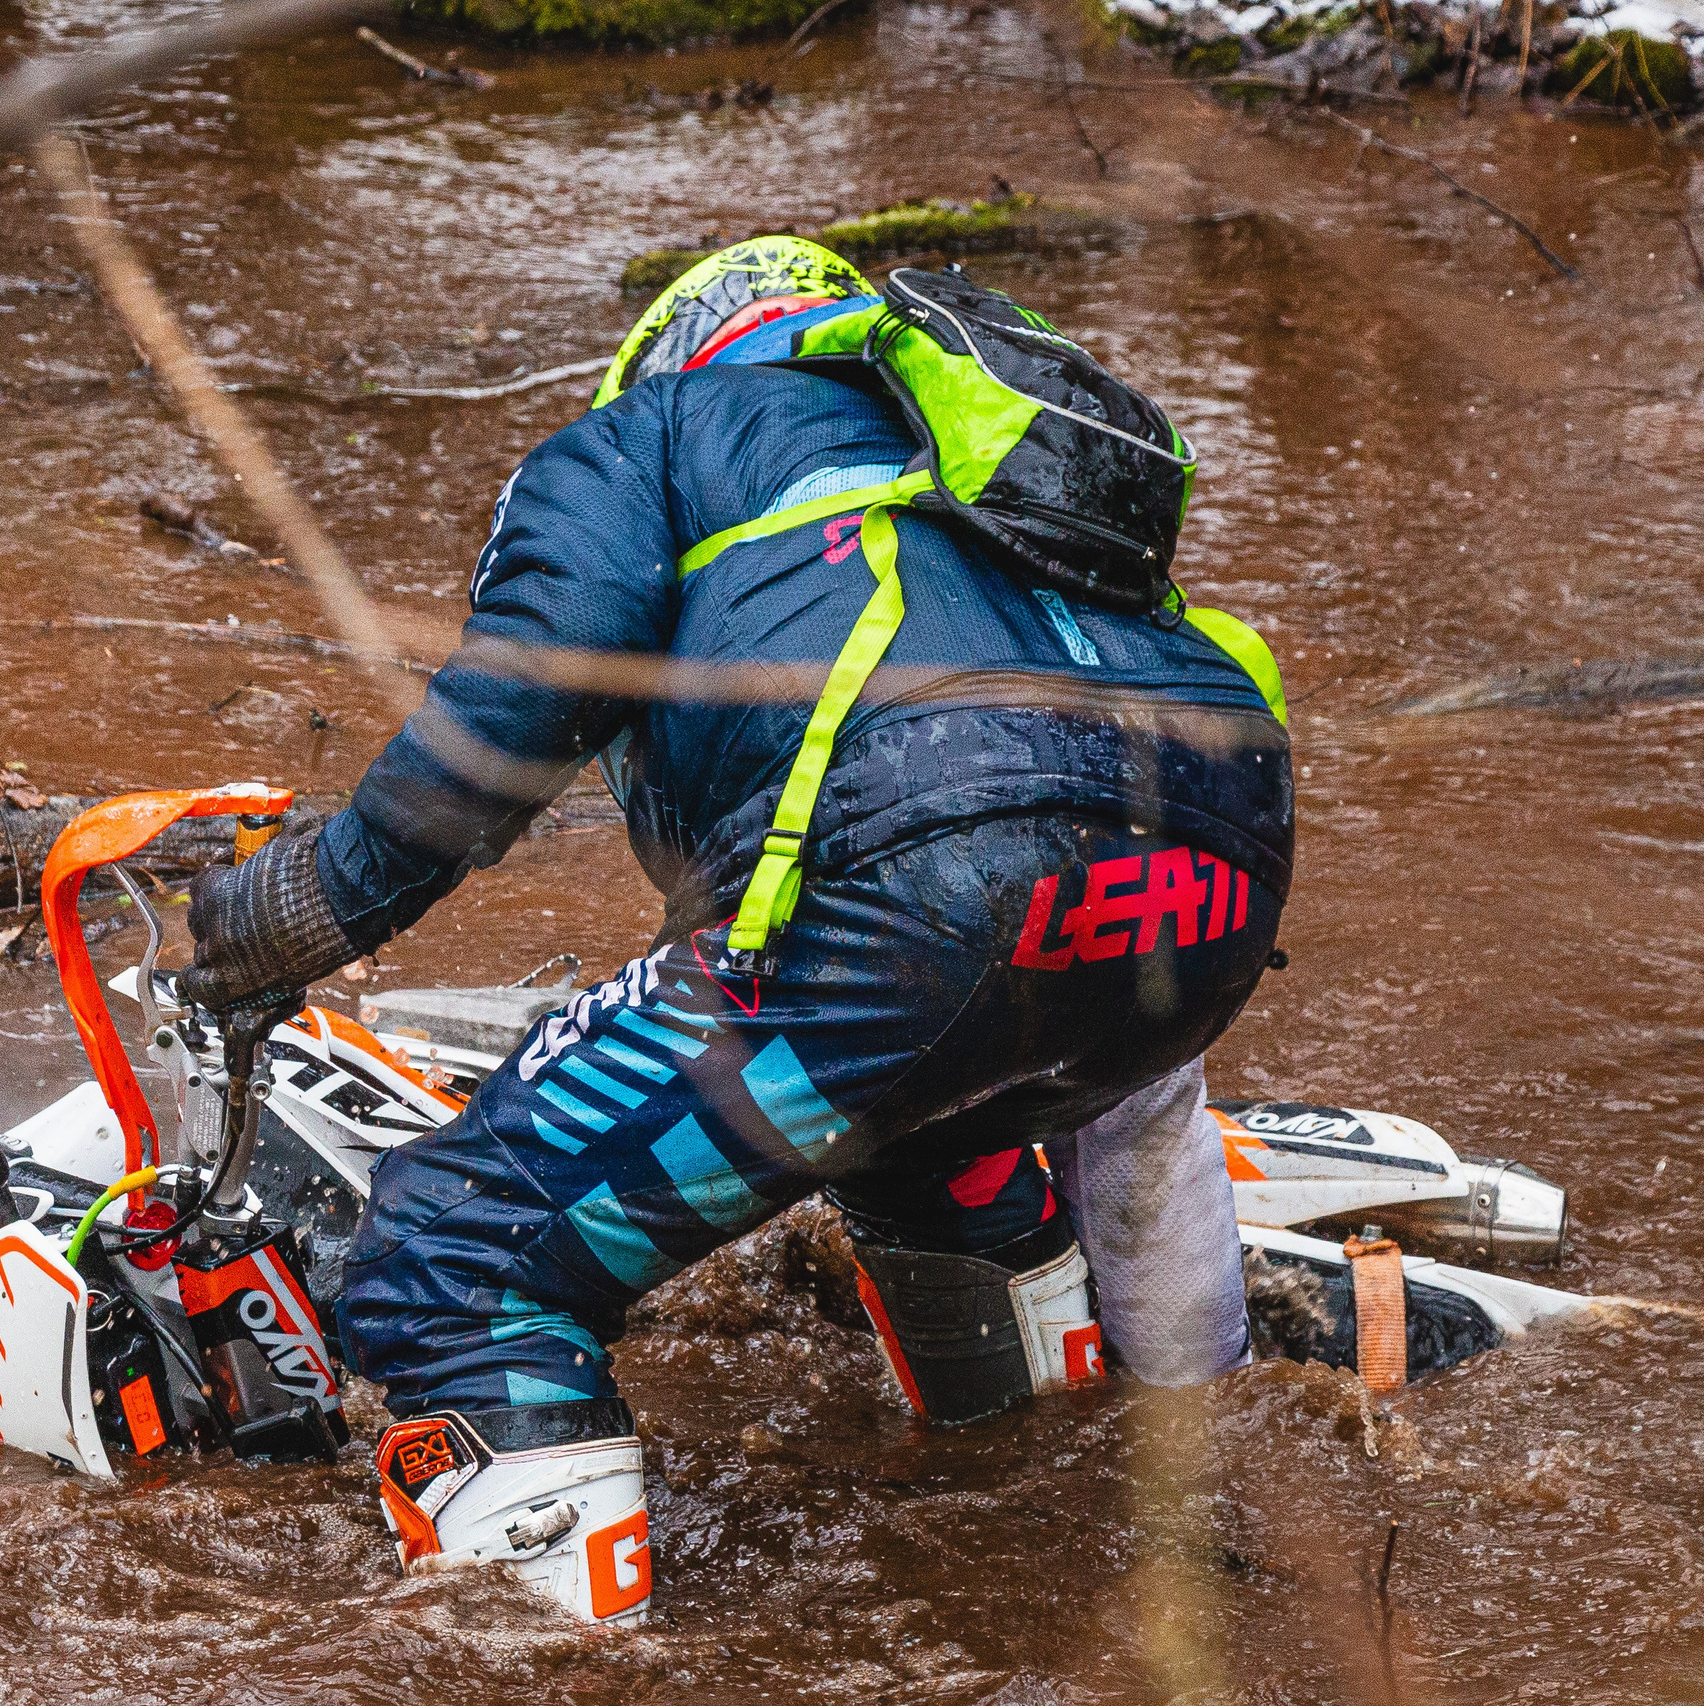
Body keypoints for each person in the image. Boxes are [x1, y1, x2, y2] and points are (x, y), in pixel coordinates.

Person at [174, 237, 1293, 1624]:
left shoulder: (650, 430)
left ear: (676, 350)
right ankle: (1065, 1556)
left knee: (453, 1255)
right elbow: (1150, 1130)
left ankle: (558, 1657)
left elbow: (530, 682)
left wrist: (302, 907)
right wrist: (1199, 1431)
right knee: (934, 1149)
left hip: (904, 897)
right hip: (1215, 877)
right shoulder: (1004, 455)